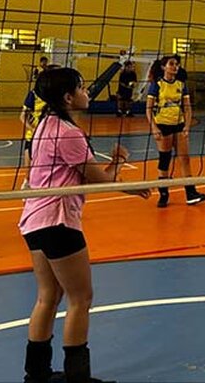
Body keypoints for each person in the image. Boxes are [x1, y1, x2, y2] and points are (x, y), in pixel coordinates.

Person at [19, 67, 150, 383]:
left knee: (47, 296)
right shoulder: (69, 133)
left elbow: (78, 175)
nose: (87, 92)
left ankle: (36, 376)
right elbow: (97, 181)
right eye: (81, 87)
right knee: (81, 298)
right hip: (58, 222)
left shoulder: (44, 125)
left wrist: (114, 164)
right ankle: (78, 378)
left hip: (33, 220)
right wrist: (126, 177)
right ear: (67, 97)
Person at [146, 55, 205, 208]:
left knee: (185, 158)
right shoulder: (157, 85)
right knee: (165, 160)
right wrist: (154, 127)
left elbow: (187, 108)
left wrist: (187, 125)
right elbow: (148, 109)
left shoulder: (181, 84)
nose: (175, 67)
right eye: (172, 64)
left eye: (177, 64)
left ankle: (191, 193)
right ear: (164, 67)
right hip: (163, 125)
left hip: (179, 125)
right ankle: (163, 194)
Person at [21, 64, 60, 189]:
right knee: (30, 163)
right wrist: (33, 129)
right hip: (34, 135)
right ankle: (27, 181)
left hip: (55, 135)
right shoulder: (34, 94)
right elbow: (22, 116)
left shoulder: (61, 95)